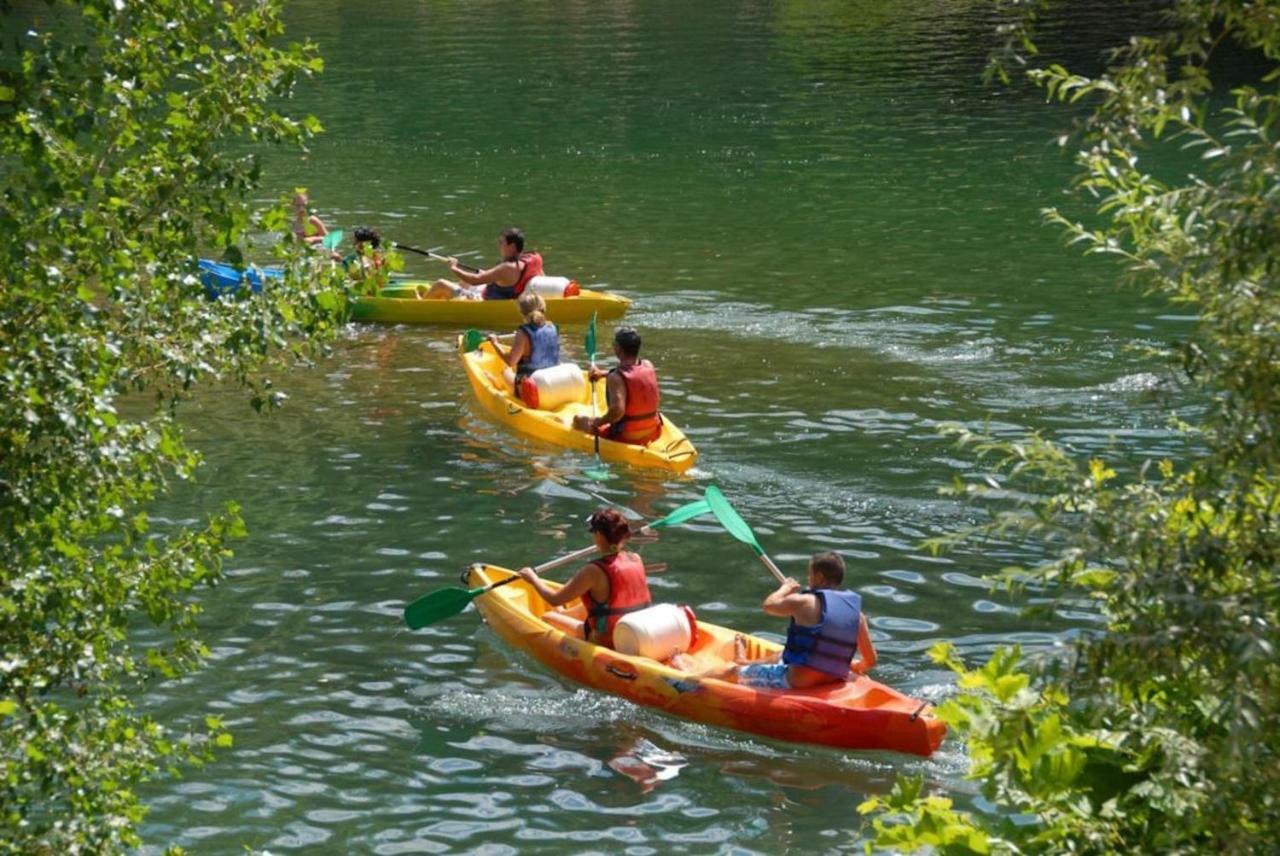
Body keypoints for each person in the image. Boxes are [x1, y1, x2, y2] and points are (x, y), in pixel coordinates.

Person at [675, 552, 876, 690]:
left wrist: (785, 589)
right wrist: (855, 667)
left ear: (820, 577)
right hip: (832, 678)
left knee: (733, 672)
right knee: (782, 654)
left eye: (810, 574)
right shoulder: (857, 616)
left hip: (796, 681)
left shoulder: (803, 602)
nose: (809, 579)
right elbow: (871, 660)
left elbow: (769, 605)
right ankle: (745, 661)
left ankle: (690, 674)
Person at [517, 508, 651, 649]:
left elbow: (554, 599)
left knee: (547, 618)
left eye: (593, 532)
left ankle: (566, 627)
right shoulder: (635, 558)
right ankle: (564, 614)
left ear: (599, 535)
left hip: (608, 640)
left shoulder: (593, 571)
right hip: (637, 632)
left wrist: (533, 578)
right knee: (589, 604)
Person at [572, 327, 663, 445]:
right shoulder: (648, 365)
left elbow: (617, 411)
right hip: (653, 430)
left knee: (578, 420)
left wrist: (598, 422)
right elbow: (633, 374)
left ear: (618, 349)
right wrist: (603, 374)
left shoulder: (615, 378)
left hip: (627, 436)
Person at [423, 227, 543, 300]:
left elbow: (475, 280)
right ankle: (441, 295)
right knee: (463, 281)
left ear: (512, 246)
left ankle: (422, 303)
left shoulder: (506, 268)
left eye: (502, 243)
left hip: (482, 299)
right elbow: (540, 276)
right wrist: (488, 274)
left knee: (440, 284)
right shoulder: (534, 258)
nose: (499, 246)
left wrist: (454, 267)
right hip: (497, 292)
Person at [489, 292, 561, 394]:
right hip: (553, 382)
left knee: (506, 370)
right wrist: (518, 337)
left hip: (531, 389)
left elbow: (511, 361)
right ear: (543, 308)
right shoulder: (552, 327)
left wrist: (495, 343)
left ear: (521, 312)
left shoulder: (523, 333)